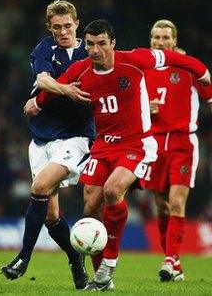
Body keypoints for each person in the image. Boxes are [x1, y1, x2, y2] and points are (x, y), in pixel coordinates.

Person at [24, 19, 210, 291]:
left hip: (137, 143)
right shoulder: (81, 69)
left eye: (101, 44)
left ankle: (111, 259)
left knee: (113, 190)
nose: (95, 50)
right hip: (103, 145)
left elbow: (172, 57)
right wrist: (37, 103)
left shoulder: (134, 60)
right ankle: (102, 276)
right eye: (90, 44)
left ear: (112, 43)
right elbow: (58, 87)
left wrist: (203, 72)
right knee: (90, 207)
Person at [1, 0, 95, 289]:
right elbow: (43, 80)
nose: (63, 32)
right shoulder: (44, 49)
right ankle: (74, 259)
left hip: (75, 138)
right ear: (49, 27)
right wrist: (64, 89)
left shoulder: (89, 51)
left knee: (39, 187)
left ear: (77, 23)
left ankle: (23, 257)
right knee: (51, 214)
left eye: (68, 26)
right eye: (57, 28)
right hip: (41, 138)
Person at [144, 19, 212, 282]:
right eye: (155, 37)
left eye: (165, 38)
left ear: (174, 41)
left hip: (183, 143)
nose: (159, 42)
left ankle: (170, 259)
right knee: (161, 206)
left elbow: (209, 96)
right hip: (154, 144)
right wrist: (144, 111)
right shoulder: (144, 69)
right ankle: (176, 264)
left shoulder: (189, 69)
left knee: (175, 201)